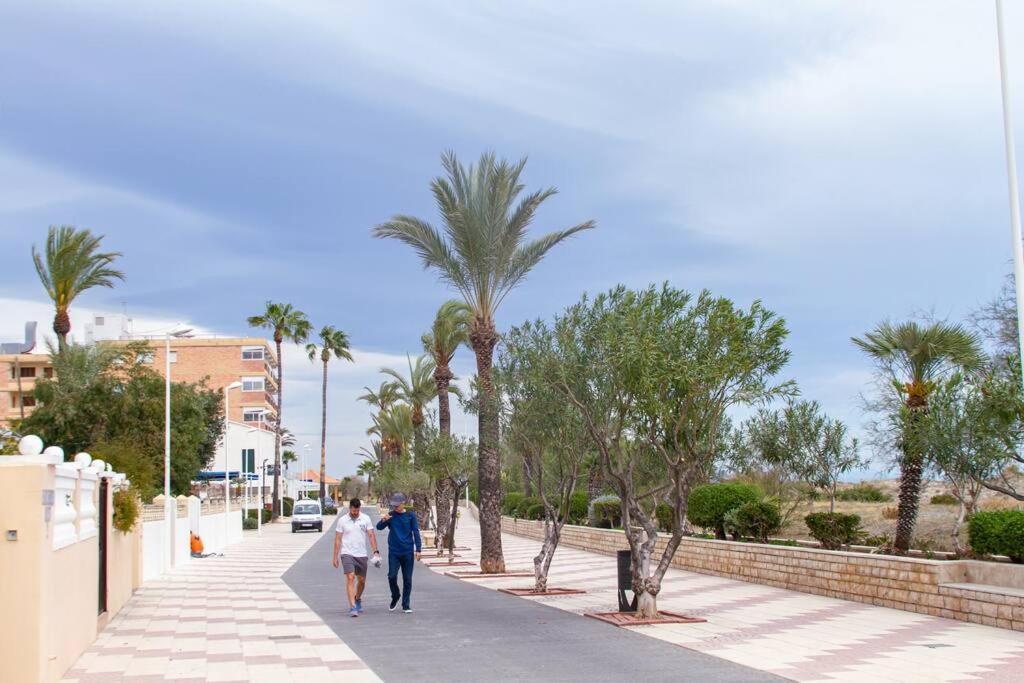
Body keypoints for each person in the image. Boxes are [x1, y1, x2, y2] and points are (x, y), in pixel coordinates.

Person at [332, 498, 380, 617]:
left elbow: (371, 535)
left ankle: (357, 598)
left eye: (357, 511)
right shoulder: (342, 520)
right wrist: (335, 556)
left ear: (359, 508)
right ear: (350, 508)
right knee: (350, 577)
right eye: (353, 511)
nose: (355, 513)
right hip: (347, 553)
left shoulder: (365, 519)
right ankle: (353, 607)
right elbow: (338, 539)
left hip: (361, 554)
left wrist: (376, 551)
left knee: (362, 581)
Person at [376, 492, 421, 613]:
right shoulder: (391, 515)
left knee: (407, 579)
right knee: (391, 576)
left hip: (407, 552)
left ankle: (406, 604)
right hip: (394, 552)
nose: (395, 507)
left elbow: (416, 532)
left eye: (397, 505)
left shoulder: (411, 516)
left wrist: (418, 549)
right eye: (393, 505)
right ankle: (395, 595)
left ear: (403, 503)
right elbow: (379, 527)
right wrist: (383, 519)